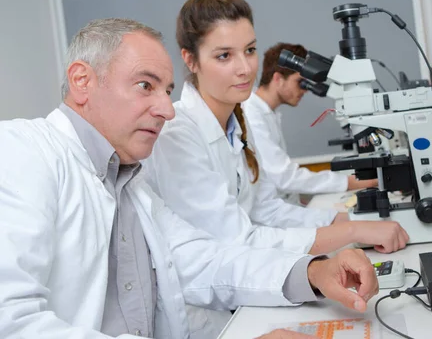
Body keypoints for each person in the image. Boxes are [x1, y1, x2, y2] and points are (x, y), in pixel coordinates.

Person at [0, 18, 380, 339]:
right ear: (82, 81)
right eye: (145, 86)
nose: (166, 109)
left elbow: (202, 259)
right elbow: (13, 323)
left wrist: (311, 272)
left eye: (166, 91)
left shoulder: (128, 182)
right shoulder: (22, 154)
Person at [144, 0, 409, 257]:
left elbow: (266, 209)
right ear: (191, 60)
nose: (245, 68)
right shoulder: (178, 133)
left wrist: (346, 221)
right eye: (224, 55)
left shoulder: (237, 121)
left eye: (249, 50)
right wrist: (351, 232)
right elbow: (234, 240)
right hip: (205, 291)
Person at [243, 42, 378, 205]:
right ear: (278, 79)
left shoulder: (267, 113)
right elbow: (284, 177)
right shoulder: (252, 114)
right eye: (300, 82)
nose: (305, 90)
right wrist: (349, 182)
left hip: (285, 207)